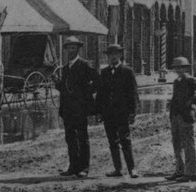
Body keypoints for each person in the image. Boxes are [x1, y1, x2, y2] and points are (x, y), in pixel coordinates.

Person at [55, 36, 98, 178]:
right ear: (66, 50)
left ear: (78, 49)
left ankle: (84, 168)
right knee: (70, 138)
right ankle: (73, 167)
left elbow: (97, 81)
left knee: (82, 137)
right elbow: (65, 88)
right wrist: (56, 83)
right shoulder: (66, 68)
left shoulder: (84, 65)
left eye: (73, 47)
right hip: (67, 109)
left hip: (80, 108)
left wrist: (85, 94)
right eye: (68, 47)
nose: (70, 50)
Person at [95, 43, 140, 178]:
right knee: (112, 141)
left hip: (122, 113)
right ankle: (117, 169)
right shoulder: (105, 72)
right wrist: (98, 111)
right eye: (110, 54)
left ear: (120, 55)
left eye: (115, 54)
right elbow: (101, 93)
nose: (113, 57)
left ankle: (132, 169)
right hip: (108, 113)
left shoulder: (127, 71)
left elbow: (133, 94)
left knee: (125, 140)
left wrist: (132, 112)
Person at [166, 57, 196, 182]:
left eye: (181, 67)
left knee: (188, 144)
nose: (178, 70)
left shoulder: (190, 80)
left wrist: (192, 101)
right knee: (177, 144)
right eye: (176, 68)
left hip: (186, 116)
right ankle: (179, 170)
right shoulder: (177, 81)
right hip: (176, 116)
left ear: (186, 68)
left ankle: (191, 173)